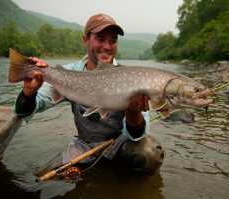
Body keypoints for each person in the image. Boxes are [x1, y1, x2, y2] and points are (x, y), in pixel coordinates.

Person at [13, 13, 165, 175]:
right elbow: (27, 110)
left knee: (150, 154)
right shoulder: (67, 74)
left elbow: (139, 135)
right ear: (86, 40)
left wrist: (133, 113)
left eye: (112, 41)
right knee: (52, 178)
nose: (107, 46)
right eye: (100, 39)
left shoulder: (133, 77)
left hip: (121, 144)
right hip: (83, 145)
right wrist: (29, 93)